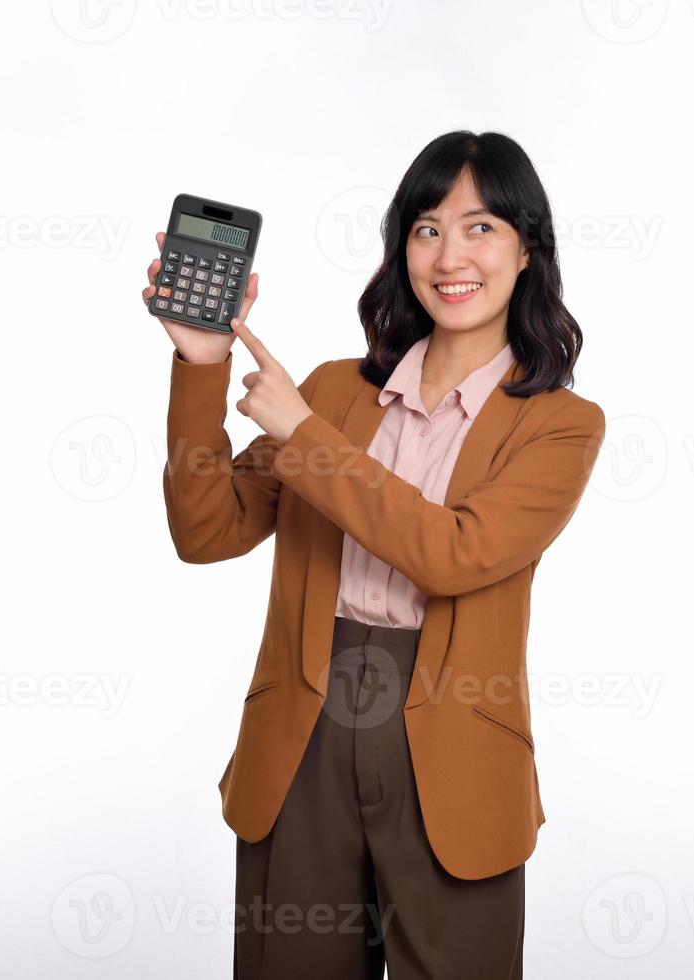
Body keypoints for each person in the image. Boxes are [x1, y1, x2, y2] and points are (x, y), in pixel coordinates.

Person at [142, 130, 606, 980]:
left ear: (527, 250)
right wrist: (200, 363)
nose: (450, 254)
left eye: (481, 228)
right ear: (402, 250)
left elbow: (456, 555)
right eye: (426, 229)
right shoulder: (330, 392)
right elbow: (205, 533)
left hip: (454, 745)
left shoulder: (560, 425)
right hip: (302, 735)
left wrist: (305, 440)